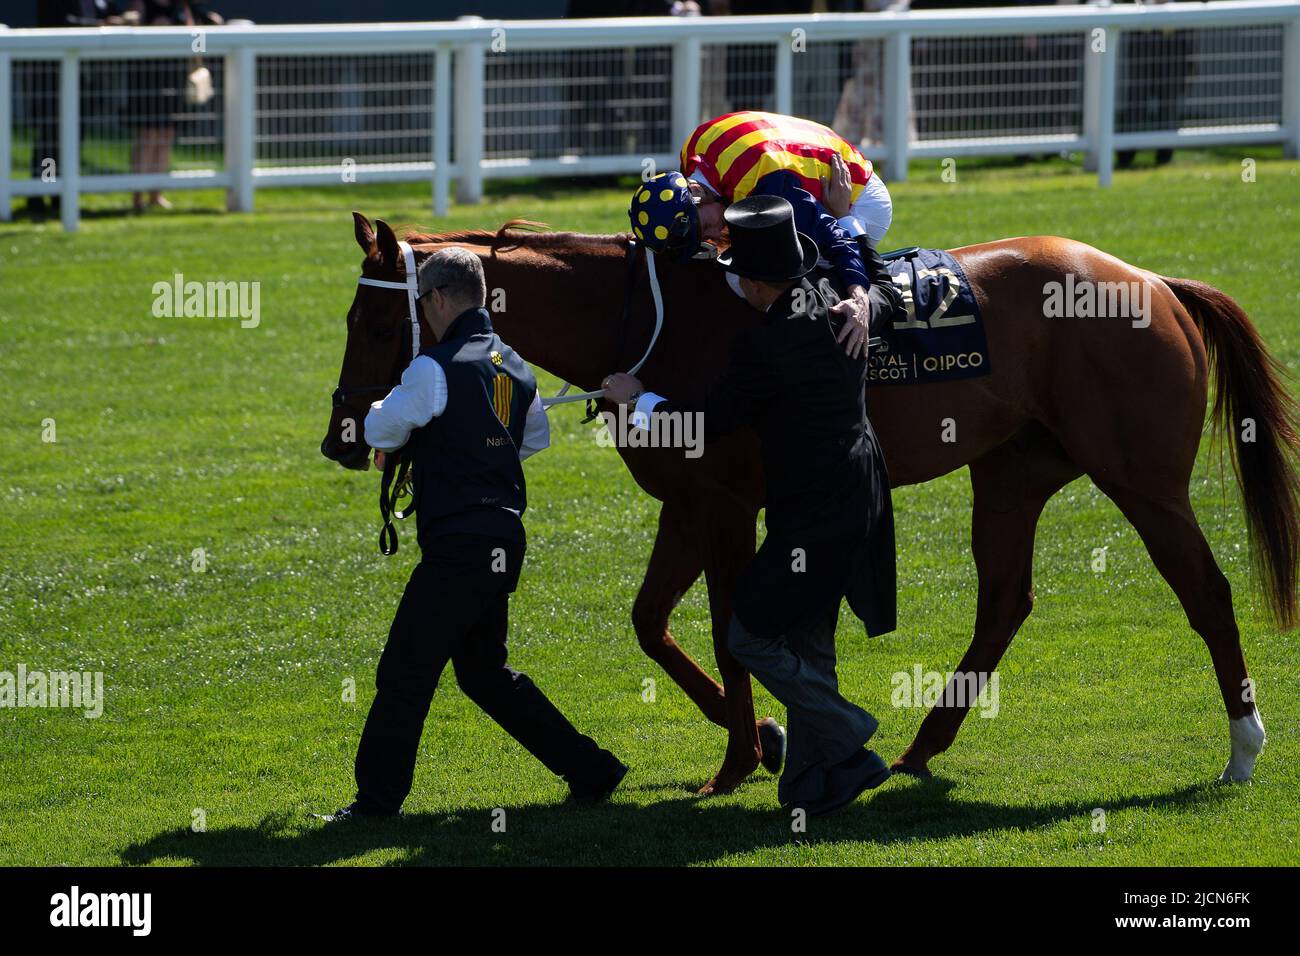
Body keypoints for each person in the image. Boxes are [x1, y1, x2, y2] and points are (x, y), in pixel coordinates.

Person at [603, 196, 897, 816]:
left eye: (740, 274)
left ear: (761, 285)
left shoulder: (766, 348)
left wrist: (638, 399)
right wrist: (857, 276)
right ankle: (814, 783)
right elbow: (877, 285)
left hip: (817, 510)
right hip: (860, 489)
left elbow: (707, 422)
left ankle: (847, 731)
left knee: (749, 635)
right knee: (809, 638)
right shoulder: (833, 300)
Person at [328, 247, 627, 820]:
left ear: (439, 298)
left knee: (405, 669)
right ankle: (592, 770)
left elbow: (380, 429)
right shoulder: (514, 364)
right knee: (485, 675)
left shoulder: (432, 369)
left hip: (459, 546)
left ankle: (374, 805)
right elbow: (532, 439)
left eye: (424, 302)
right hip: (502, 539)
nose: (424, 311)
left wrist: (410, 422)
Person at [627, 110, 904, 358]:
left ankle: (813, 343)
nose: (712, 235)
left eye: (706, 227)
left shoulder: (763, 186)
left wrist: (858, 294)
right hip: (799, 161)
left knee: (750, 273)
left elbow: (835, 238)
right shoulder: (692, 157)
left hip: (861, 200)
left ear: (697, 192)